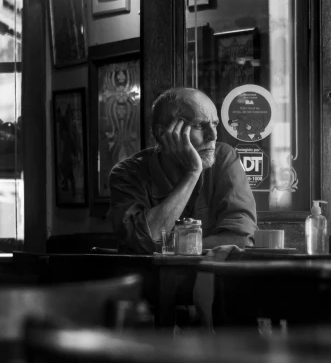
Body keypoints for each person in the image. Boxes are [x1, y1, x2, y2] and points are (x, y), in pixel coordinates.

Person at [108, 87, 257, 254]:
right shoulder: (126, 173)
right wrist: (193, 173)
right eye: (200, 125)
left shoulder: (224, 158)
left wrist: (169, 246)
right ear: (163, 133)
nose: (213, 136)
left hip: (210, 276)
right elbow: (143, 241)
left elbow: (241, 239)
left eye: (214, 124)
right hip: (152, 278)